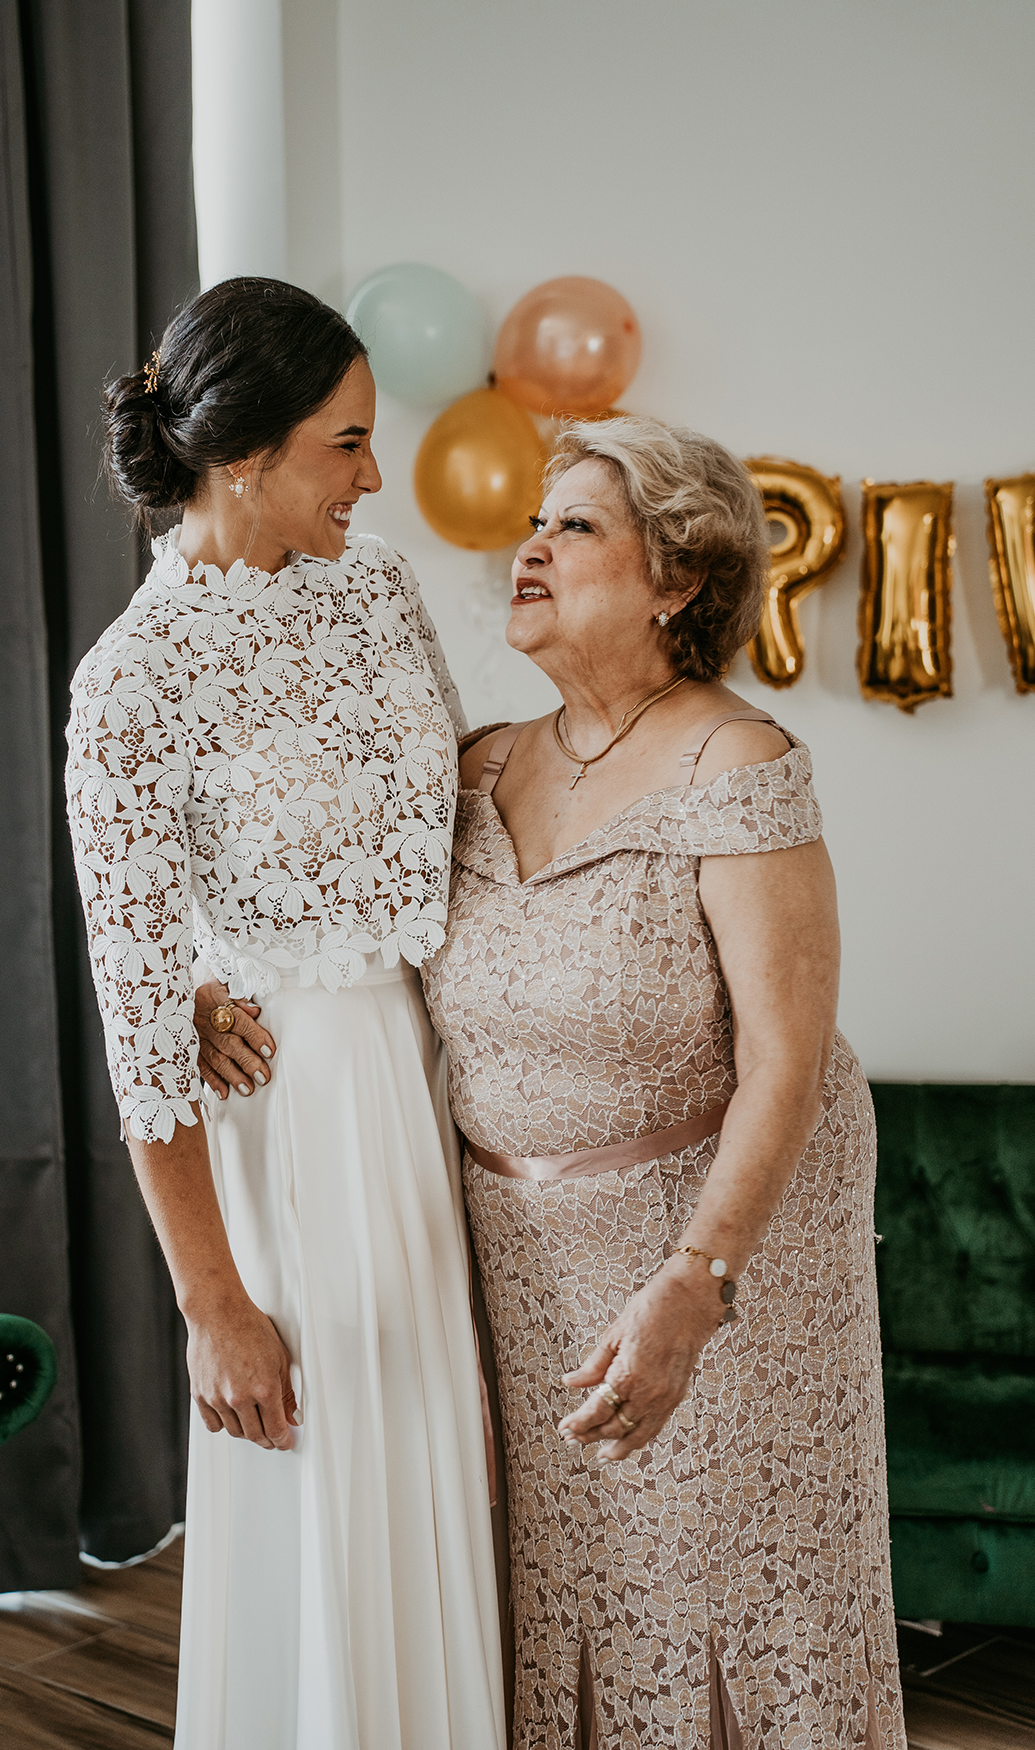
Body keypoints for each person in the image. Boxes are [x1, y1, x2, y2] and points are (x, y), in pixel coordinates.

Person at [66, 277, 504, 1750]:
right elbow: (138, 1033)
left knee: (437, 1481)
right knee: (330, 1494)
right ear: (241, 453)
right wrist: (213, 1307)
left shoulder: (375, 586)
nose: (377, 479)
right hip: (291, 1119)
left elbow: (460, 811)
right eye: (349, 445)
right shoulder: (128, 684)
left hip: (427, 1083)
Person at [421, 417, 905, 1749]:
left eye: (577, 525)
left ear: (679, 579)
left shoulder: (733, 763)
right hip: (520, 1271)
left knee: (721, 1596)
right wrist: (217, 995)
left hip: (720, 1267)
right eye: (534, 519)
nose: (532, 545)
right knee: (568, 1602)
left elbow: (790, 1058)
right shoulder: (474, 767)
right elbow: (345, 946)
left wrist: (697, 1290)